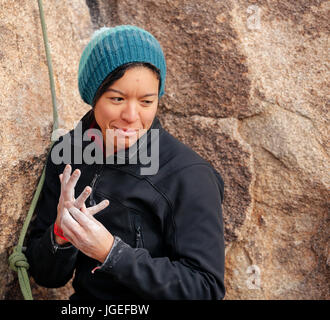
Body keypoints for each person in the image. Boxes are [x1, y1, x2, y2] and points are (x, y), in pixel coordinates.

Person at [25, 25, 226, 300]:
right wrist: (60, 235)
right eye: (117, 99)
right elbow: (47, 276)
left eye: (146, 101)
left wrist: (111, 253)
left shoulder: (189, 176)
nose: (131, 115)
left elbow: (205, 288)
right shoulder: (68, 155)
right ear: (94, 96)